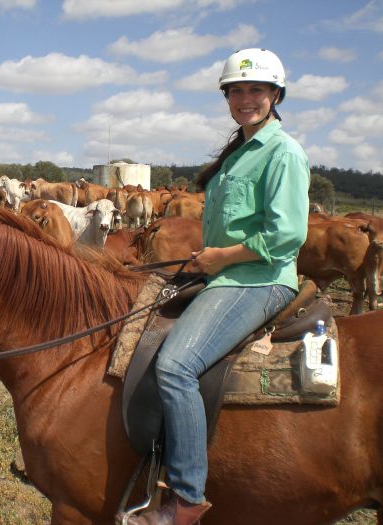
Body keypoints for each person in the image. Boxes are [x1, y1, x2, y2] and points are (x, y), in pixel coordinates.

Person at [123, 48, 310, 525]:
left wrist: (221, 257)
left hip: (259, 279)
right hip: (222, 274)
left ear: (275, 96)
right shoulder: (238, 153)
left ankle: (185, 500)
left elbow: (287, 234)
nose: (246, 99)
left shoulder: (283, 153)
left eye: (256, 90)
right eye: (237, 91)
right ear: (228, 97)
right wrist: (210, 261)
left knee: (177, 365)